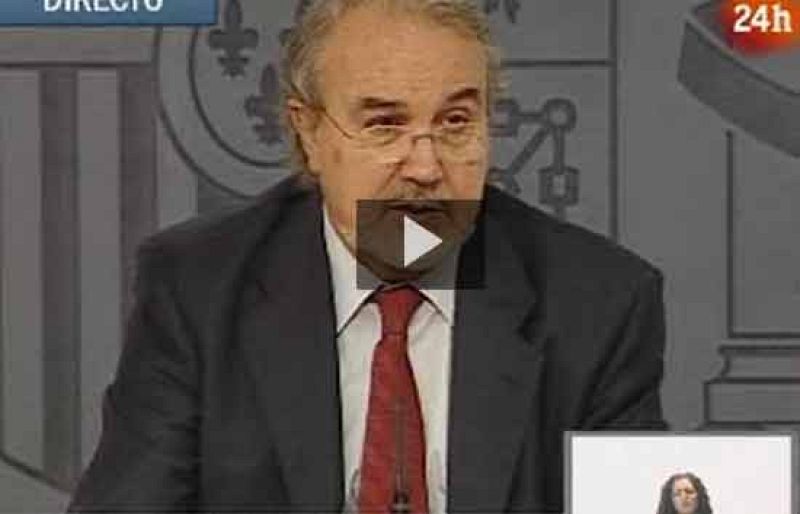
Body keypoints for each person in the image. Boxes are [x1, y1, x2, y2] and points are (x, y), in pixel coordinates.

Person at [68, 0, 667, 512]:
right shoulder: (200, 288)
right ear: (309, 132)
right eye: (385, 125)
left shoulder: (598, 304)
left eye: (456, 122)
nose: (426, 167)